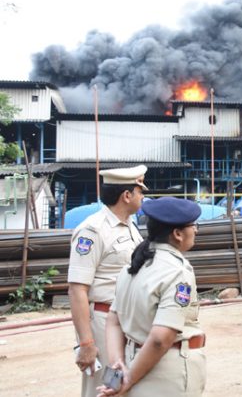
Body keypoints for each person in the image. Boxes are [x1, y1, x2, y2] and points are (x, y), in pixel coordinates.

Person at [97, 197, 205, 397]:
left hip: (133, 362)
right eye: (193, 226)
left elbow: (113, 321)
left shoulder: (132, 268)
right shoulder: (177, 271)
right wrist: (128, 380)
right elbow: (160, 339)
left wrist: (118, 366)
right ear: (178, 234)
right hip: (166, 371)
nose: (196, 230)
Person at [68, 165, 148, 397]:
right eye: (140, 191)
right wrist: (86, 343)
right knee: (104, 389)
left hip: (126, 321)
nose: (143, 197)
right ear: (126, 195)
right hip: (103, 322)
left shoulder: (130, 226)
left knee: (124, 387)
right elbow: (77, 289)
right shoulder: (92, 231)